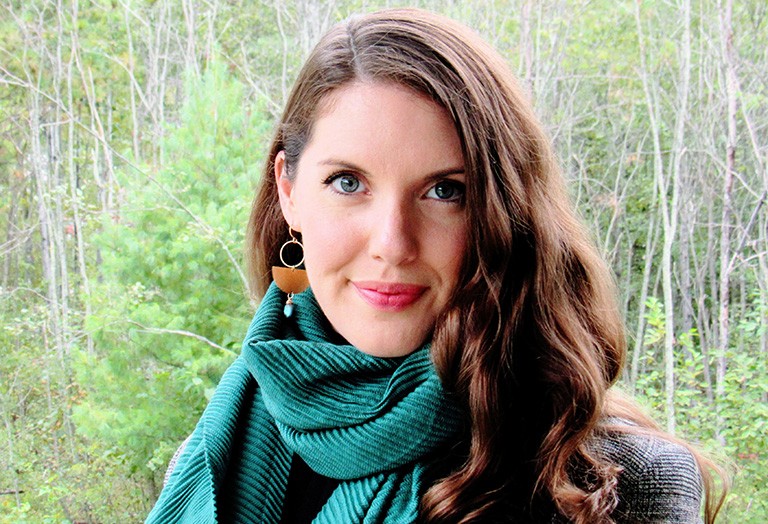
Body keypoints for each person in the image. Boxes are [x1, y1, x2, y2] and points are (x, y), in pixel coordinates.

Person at [147, 8, 728, 524]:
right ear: (289, 192)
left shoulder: (623, 485)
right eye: (347, 183)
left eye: (445, 191)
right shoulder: (209, 460)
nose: (393, 243)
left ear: (504, 214)